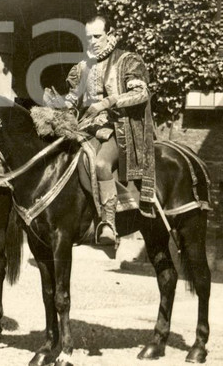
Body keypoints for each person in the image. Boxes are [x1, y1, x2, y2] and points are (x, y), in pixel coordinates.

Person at [65, 15, 157, 250]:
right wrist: (60, 107)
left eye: (97, 36)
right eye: (88, 38)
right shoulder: (83, 67)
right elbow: (73, 100)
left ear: (109, 34)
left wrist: (107, 103)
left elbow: (142, 93)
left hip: (120, 129)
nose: (93, 42)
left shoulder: (127, 61)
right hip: (86, 129)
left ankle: (109, 224)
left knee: (101, 164)